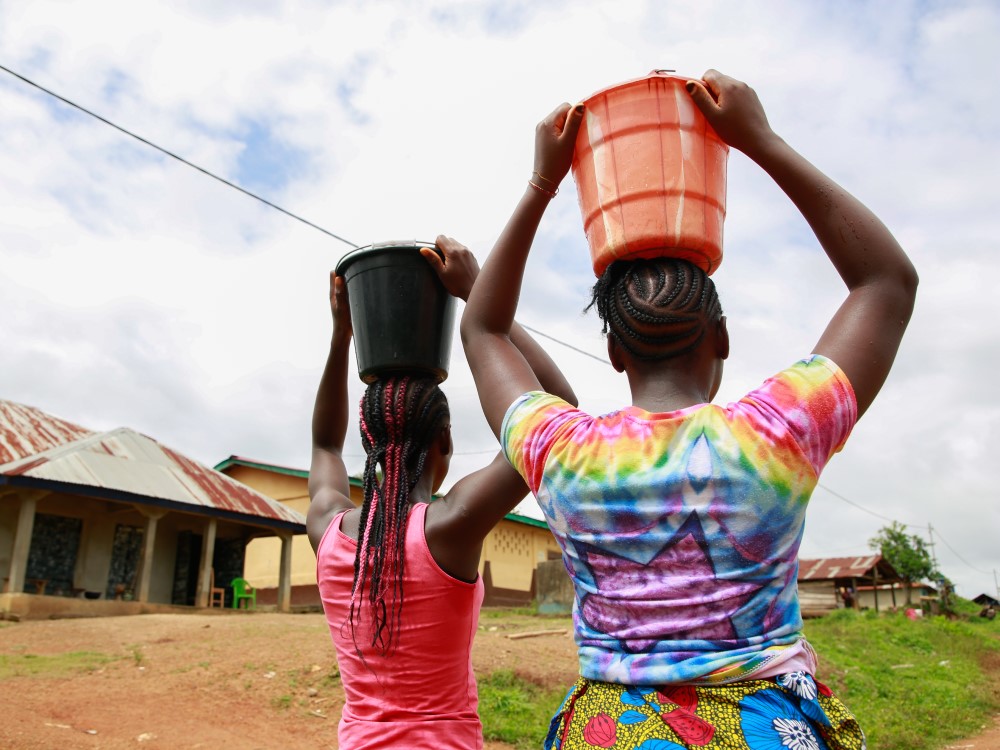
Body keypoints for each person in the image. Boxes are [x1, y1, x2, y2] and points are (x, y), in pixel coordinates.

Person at [461, 70, 917, 749]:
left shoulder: (560, 450)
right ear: (722, 338)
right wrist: (760, 142)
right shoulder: (778, 430)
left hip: (610, 733)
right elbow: (886, 281)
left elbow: (483, 331)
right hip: (767, 730)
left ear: (615, 352)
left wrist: (542, 185)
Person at [306, 237, 576, 749]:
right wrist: (477, 297)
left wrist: (343, 334)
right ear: (445, 442)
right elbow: (557, 410)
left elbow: (323, 444)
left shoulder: (328, 529)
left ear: (366, 439)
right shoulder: (450, 526)